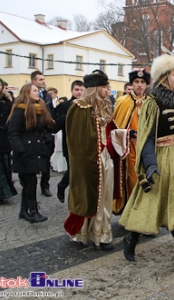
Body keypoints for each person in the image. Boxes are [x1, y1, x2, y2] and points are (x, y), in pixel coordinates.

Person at [120, 54, 174, 278]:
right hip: (161, 159)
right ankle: (131, 237)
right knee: (149, 203)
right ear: (165, 76)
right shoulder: (153, 102)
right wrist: (149, 164)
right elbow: (146, 137)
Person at [62, 70, 119, 250]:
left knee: (104, 198)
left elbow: (109, 132)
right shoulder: (80, 107)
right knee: (88, 196)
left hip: (105, 159)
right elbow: (77, 141)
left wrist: (125, 135)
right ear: (95, 88)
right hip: (89, 160)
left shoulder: (105, 106)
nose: (107, 90)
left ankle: (102, 234)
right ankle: (81, 234)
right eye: (104, 87)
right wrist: (87, 160)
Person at [7, 83, 54, 223]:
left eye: (38, 90)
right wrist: (20, 152)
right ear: (26, 93)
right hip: (25, 152)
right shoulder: (19, 111)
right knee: (31, 181)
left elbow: (49, 128)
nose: (37, 93)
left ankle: (24, 211)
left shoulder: (40, 109)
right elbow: (12, 134)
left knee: (29, 183)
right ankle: (33, 211)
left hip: (37, 151)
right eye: (34, 90)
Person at [112, 69, 150, 215]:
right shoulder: (123, 101)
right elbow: (115, 127)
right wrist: (127, 134)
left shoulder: (151, 102)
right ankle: (131, 212)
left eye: (142, 82)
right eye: (136, 82)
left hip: (146, 148)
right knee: (132, 181)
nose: (139, 85)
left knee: (148, 182)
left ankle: (145, 214)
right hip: (129, 149)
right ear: (132, 83)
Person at [53, 80, 84, 203]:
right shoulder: (64, 106)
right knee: (73, 168)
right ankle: (62, 186)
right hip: (69, 143)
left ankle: (77, 194)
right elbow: (56, 125)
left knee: (80, 170)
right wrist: (68, 116)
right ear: (72, 91)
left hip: (84, 143)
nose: (79, 92)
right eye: (77, 90)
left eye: (81, 90)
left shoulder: (88, 105)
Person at [30, 70, 53, 197]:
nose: (43, 82)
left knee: (46, 162)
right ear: (34, 81)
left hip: (46, 134)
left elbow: (50, 112)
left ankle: (45, 186)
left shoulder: (47, 95)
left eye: (44, 79)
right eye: (40, 80)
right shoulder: (28, 95)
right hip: (34, 133)